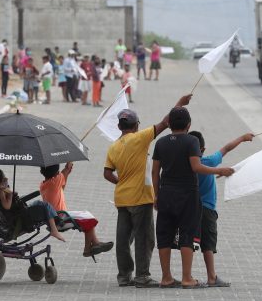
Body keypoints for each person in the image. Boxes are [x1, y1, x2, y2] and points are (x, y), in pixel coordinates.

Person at [102, 94, 192, 288]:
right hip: (140, 198)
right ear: (136, 126)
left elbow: (107, 173)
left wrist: (121, 181)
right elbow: (166, 122)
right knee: (144, 238)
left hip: (122, 198)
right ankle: (142, 276)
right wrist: (180, 103)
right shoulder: (140, 138)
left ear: (119, 127)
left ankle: (124, 276)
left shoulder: (114, 147)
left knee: (123, 239)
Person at [151, 107, 234, 289]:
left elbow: (155, 171)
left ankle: (166, 278)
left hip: (166, 193)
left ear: (170, 124)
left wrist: (156, 194)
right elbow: (196, 167)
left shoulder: (161, 143)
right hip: (187, 195)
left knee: (164, 233)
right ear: (188, 125)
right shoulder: (192, 142)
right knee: (188, 234)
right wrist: (220, 170)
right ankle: (187, 278)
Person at [188, 130, 253, 288]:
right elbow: (226, 148)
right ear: (202, 149)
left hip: (189, 209)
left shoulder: (183, 164)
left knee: (189, 242)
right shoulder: (208, 161)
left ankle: (187, 275)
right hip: (207, 209)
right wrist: (243, 138)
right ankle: (211, 277)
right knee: (208, 243)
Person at [40, 163, 112, 256]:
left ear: (42, 172)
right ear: (57, 173)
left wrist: (66, 171)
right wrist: (68, 165)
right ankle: (87, 249)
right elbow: (64, 173)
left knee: (86, 215)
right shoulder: (55, 182)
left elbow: (61, 187)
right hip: (60, 219)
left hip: (55, 218)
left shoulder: (43, 184)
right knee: (88, 219)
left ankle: (95, 242)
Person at [0, 168, 65, 242]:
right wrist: (10, 195)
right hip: (21, 216)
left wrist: (9, 191)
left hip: (19, 211)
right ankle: (54, 230)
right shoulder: (0, 191)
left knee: (38, 203)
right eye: (3, 178)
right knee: (46, 206)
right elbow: (7, 206)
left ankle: (53, 224)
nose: (6, 179)